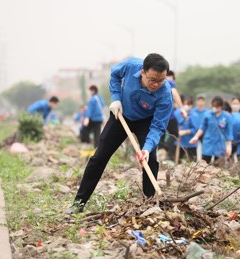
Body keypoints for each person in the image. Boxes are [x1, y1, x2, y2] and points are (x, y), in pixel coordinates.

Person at [67, 53, 173, 214]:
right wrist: (116, 98)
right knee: (99, 157)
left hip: (146, 121)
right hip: (121, 115)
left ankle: (149, 205)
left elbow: (158, 126)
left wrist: (147, 148)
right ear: (143, 72)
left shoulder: (165, 94)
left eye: (161, 80)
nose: (156, 84)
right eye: (152, 80)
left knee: (150, 160)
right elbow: (115, 74)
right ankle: (79, 203)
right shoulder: (131, 66)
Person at [189, 96, 233, 165]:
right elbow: (202, 128)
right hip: (208, 143)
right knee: (204, 165)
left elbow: (229, 133)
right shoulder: (207, 115)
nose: (215, 108)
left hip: (220, 144)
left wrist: (229, 146)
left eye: (217, 106)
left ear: (221, 106)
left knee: (219, 166)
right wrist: (196, 137)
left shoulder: (227, 117)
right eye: (214, 106)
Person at [158, 70, 187, 161]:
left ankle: (161, 150)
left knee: (159, 133)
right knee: (174, 133)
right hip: (168, 114)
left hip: (158, 114)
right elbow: (174, 92)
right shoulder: (170, 83)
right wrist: (182, 108)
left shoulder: (156, 81)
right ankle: (163, 149)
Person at [174, 96, 198, 162]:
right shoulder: (179, 113)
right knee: (178, 161)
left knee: (192, 162)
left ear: (191, 105)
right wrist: (184, 116)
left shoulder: (194, 115)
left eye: (188, 104)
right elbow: (178, 122)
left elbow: (196, 130)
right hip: (180, 142)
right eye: (184, 104)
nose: (186, 106)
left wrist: (186, 131)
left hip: (191, 143)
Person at [191, 96, 208, 160]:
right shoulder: (192, 112)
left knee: (204, 147)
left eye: (202, 101)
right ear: (197, 102)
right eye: (199, 101)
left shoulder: (207, 112)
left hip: (204, 132)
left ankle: (204, 161)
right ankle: (195, 161)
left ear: (204, 102)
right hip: (194, 132)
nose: (200, 103)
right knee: (194, 147)